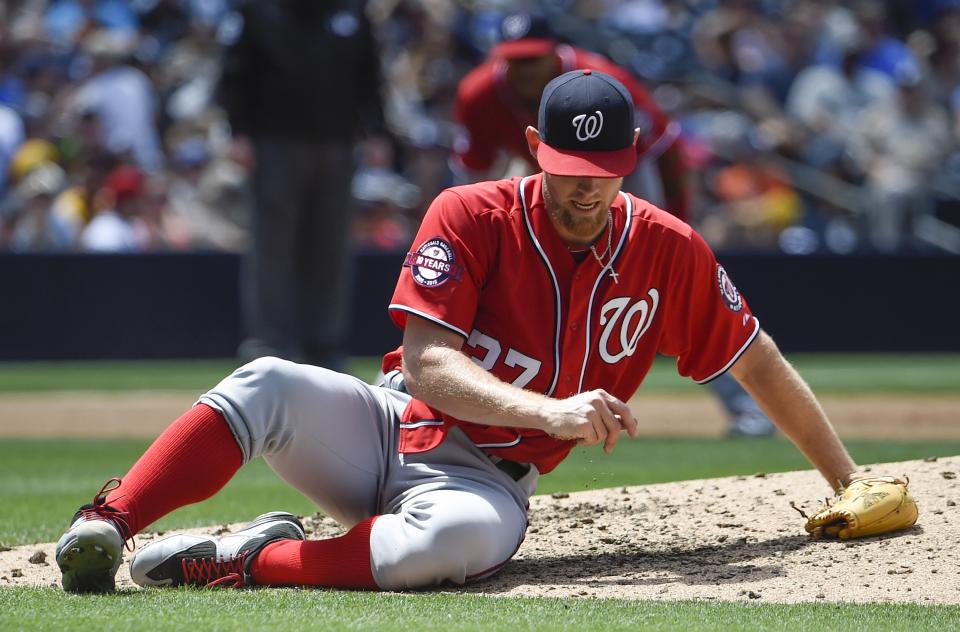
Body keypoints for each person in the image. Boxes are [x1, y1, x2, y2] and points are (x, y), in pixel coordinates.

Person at [57, 70, 872, 594]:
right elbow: (429, 363)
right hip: (392, 426)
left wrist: (847, 482)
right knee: (266, 379)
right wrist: (550, 412)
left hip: (484, 484)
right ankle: (108, 522)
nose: (583, 192)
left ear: (629, 161)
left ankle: (244, 561)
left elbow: (754, 358)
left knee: (431, 552)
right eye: (566, 172)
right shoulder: (470, 213)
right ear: (532, 149)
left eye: (602, 176)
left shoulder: (668, 248)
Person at [454, 12, 774, 436]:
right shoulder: (479, 93)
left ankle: (746, 409)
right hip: (541, 171)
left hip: (623, 169)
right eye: (513, 60)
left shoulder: (604, 83)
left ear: (555, 53)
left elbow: (665, 148)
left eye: (531, 60)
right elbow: (472, 173)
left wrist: (676, 224)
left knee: (670, 292)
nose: (522, 70)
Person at [216, 0, 384, 368]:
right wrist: (239, 131)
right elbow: (235, 73)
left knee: (331, 247)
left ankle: (325, 346)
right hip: (274, 141)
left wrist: (377, 130)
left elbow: (370, 74)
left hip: (339, 141)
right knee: (272, 246)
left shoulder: (351, 11)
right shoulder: (259, 11)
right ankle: (270, 345)